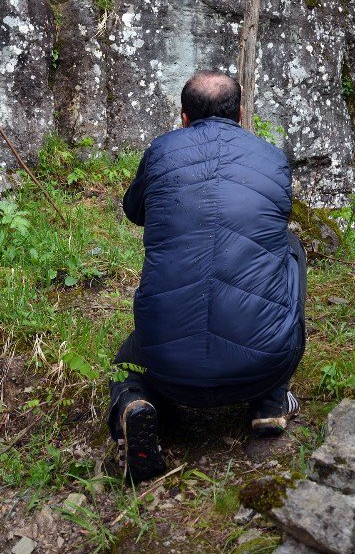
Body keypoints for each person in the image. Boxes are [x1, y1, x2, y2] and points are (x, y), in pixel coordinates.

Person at [108, 71, 306, 484]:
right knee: (289, 248)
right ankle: (270, 401)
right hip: (260, 365)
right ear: (239, 113)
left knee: (128, 361)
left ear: (183, 117)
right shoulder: (271, 158)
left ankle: (135, 404)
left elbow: (134, 211)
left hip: (168, 367)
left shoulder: (161, 151)